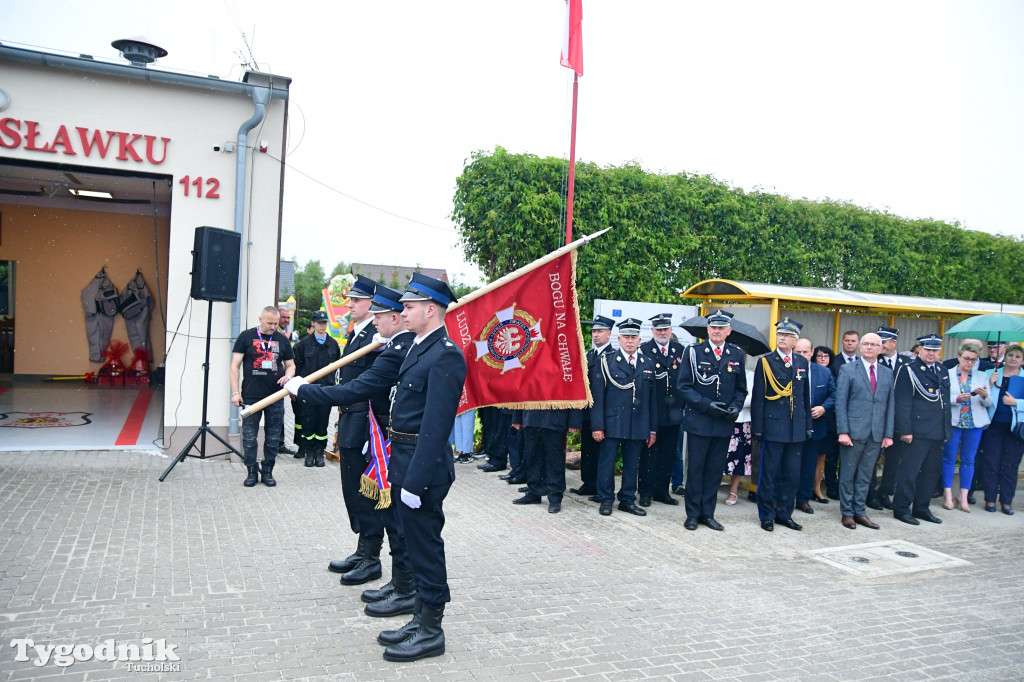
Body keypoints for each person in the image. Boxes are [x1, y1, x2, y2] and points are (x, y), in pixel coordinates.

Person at [290, 285, 419, 612]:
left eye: (378, 314)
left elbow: (360, 387)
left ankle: (388, 573)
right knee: (366, 498)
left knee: (379, 503)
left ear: (394, 316)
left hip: (375, 431)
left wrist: (306, 391)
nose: (374, 321)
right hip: (364, 425)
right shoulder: (386, 342)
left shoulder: (395, 348)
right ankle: (377, 562)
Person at [328, 275, 382, 584]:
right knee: (352, 490)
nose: (349, 304)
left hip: (363, 423)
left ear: (371, 305)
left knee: (366, 492)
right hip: (349, 419)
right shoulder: (357, 334)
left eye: (356, 300)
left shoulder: (374, 337)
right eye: (350, 299)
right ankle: (362, 550)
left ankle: (371, 556)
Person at [677, 309, 747, 530]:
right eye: (713, 327)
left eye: (721, 328)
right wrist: (706, 405)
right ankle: (692, 514)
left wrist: (735, 406)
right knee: (696, 470)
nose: (716, 331)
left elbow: (741, 389)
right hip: (700, 421)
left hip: (723, 423)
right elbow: (684, 387)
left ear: (729, 331)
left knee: (715, 471)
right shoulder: (694, 351)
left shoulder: (736, 354)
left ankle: (708, 514)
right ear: (707, 329)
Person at [591, 318, 657, 517]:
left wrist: (652, 429)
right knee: (607, 463)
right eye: (626, 337)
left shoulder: (647, 363)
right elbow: (598, 397)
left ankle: (627, 499)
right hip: (612, 422)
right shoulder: (607, 361)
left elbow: (652, 400)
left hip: (637, 424)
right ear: (618, 339)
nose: (630, 341)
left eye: (633, 337)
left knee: (631, 464)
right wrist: (597, 426)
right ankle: (606, 499)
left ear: (639, 339)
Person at [750, 317, 810, 532]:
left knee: (792, 475)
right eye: (780, 335)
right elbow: (758, 398)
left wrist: (807, 424)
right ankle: (767, 515)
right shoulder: (766, 362)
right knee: (770, 475)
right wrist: (758, 427)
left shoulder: (802, 363)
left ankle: (785, 513)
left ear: (795, 340)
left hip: (796, 428)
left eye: (787, 335)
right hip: (773, 427)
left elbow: (805, 397)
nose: (782, 338)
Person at [230, 306, 296, 487]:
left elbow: (291, 365)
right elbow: (234, 366)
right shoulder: (246, 336)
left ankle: (267, 471)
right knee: (250, 437)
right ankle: (251, 471)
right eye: (269, 323)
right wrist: (235, 393)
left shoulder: (282, 340)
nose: (273, 327)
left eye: (276, 323)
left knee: (273, 437)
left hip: (275, 397)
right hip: (251, 397)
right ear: (260, 319)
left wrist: (288, 376)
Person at [834, 332, 894, 529]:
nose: (869, 347)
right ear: (860, 346)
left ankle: (860, 512)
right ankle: (847, 513)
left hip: (876, 434)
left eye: (874, 344)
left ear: (880, 348)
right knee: (848, 474)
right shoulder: (848, 369)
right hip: (853, 432)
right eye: (866, 344)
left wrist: (888, 433)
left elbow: (890, 404)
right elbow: (840, 403)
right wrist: (843, 431)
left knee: (866, 475)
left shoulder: (886, 372)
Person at [892, 334, 953, 525]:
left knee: (931, 473)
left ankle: (921, 508)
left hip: (937, 432)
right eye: (928, 349)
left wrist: (945, 431)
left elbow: (944, 404)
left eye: (935, 350)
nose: (931, 353)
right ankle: (902, 509)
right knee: (909, 472)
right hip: (916, 431)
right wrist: (905, 431)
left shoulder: (942, 370)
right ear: (920, 349)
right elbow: (902, 403)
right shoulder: (909, 370)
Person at [638, 313, 685, 507]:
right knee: (649, 454)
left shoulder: (680, 350)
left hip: (673, 413)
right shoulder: (644, 350)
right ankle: (645, 492)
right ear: (652, 331)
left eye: (665, 329)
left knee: (668, 453)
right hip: (652, 412)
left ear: (671, 330)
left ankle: (662, 491)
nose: (662, 333)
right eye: (658, 329)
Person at [942, 342, 992, 511]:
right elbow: (942, 399)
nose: (969, 362)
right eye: (967, 359)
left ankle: (963, 496)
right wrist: (956, 399)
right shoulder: (947, 374)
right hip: (954, 422)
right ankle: (947, 494)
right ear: (959, 357)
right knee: (949, 458)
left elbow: (989, 402)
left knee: (968, 460)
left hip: (974, 422)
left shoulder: (981, 376)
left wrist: (985, 395)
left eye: (973, 360)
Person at [570, 316, 615, 497]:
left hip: (604, 414)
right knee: (587, 451)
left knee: (602, 453)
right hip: (588, 414)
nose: (596, 335)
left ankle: (600, 487)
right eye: (594, 331)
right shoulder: (588, 355)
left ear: (609, 334)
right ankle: (588, 483)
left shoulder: (613, 357)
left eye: (600, 331)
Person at [292, 310, 341, 467]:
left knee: (322, 423)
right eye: (319, 323)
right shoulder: (302, 345)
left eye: (324, 323)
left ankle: (319, 452)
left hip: (326, 391)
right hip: (308, 391)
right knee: (308, 422)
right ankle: (309, 453)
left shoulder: (333, 345)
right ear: (313, 323)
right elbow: (296, 369)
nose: (322, 326)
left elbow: (337, 367)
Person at [794, 338, 836, 515]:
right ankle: (786, 497)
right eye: (799, 352)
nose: (802, 355)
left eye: (805, 352)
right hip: (793, 426)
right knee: (790, 464)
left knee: (809, 464)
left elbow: (833, 394)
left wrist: (823, 408)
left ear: (812, 353)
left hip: (815, 425)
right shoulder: (789, 369)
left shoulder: (824, 372)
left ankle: (803, 499)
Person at [511, 408, 582, 513]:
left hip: (556, 418)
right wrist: (517, 417)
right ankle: (534, 491)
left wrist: (574, 421)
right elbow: (522, 393)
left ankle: (555, 497)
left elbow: (573, 393)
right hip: (531, 418)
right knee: (532, 457)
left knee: (555, 460)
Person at [870, 325, 910, 510]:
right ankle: (870, 494)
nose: (881, 345)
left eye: (884, 342)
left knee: (893, 460)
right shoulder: (874, 363)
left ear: (894, 342)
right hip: (877, 419)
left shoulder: (906, 364)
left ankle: (885, 492)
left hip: (897, 420)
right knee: (871, 458)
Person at [981, 344, 1024, 514]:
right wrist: (990, 385)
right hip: (993, 425)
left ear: (1022, 360)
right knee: (991, 463)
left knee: (1011, 465)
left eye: (1017, 356)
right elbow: (980, 398)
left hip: (1016, 428)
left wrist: (1017, 403)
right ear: (1004, 357)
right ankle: (990, 499)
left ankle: (1006, 501)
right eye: (1010, 355)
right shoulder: (991, 374)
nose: (1013, 358)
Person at [723, 367, 754, 505]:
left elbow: (752, 398)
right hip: (722, 419)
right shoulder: (722, 371)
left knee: (739, 457)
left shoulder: (750, 374)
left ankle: (733, 490)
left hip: (741, 421)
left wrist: (734, 403)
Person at [811, 345, 838, 501]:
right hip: (811, 420)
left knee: (822, 457)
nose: (822, 359)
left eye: (826, 356)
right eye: (820, 356)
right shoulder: (810, 373)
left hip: (828, 422)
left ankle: (817, 488)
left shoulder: (832, 376)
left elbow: (834, 397)